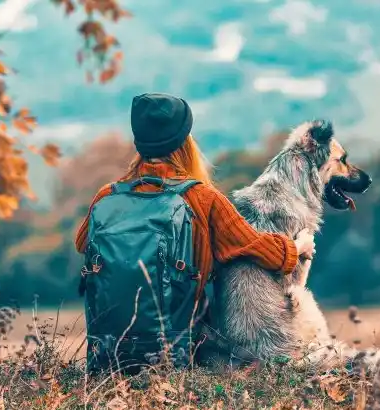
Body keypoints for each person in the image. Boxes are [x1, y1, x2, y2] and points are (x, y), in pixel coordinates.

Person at [74, 92, 315, 374]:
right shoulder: (202, 198)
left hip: (107, 353)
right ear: (185, 141)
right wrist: (298, 246)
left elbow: (83, 243)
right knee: (252, 363)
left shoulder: (107, 195)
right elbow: (259, 248)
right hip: (175, 352)